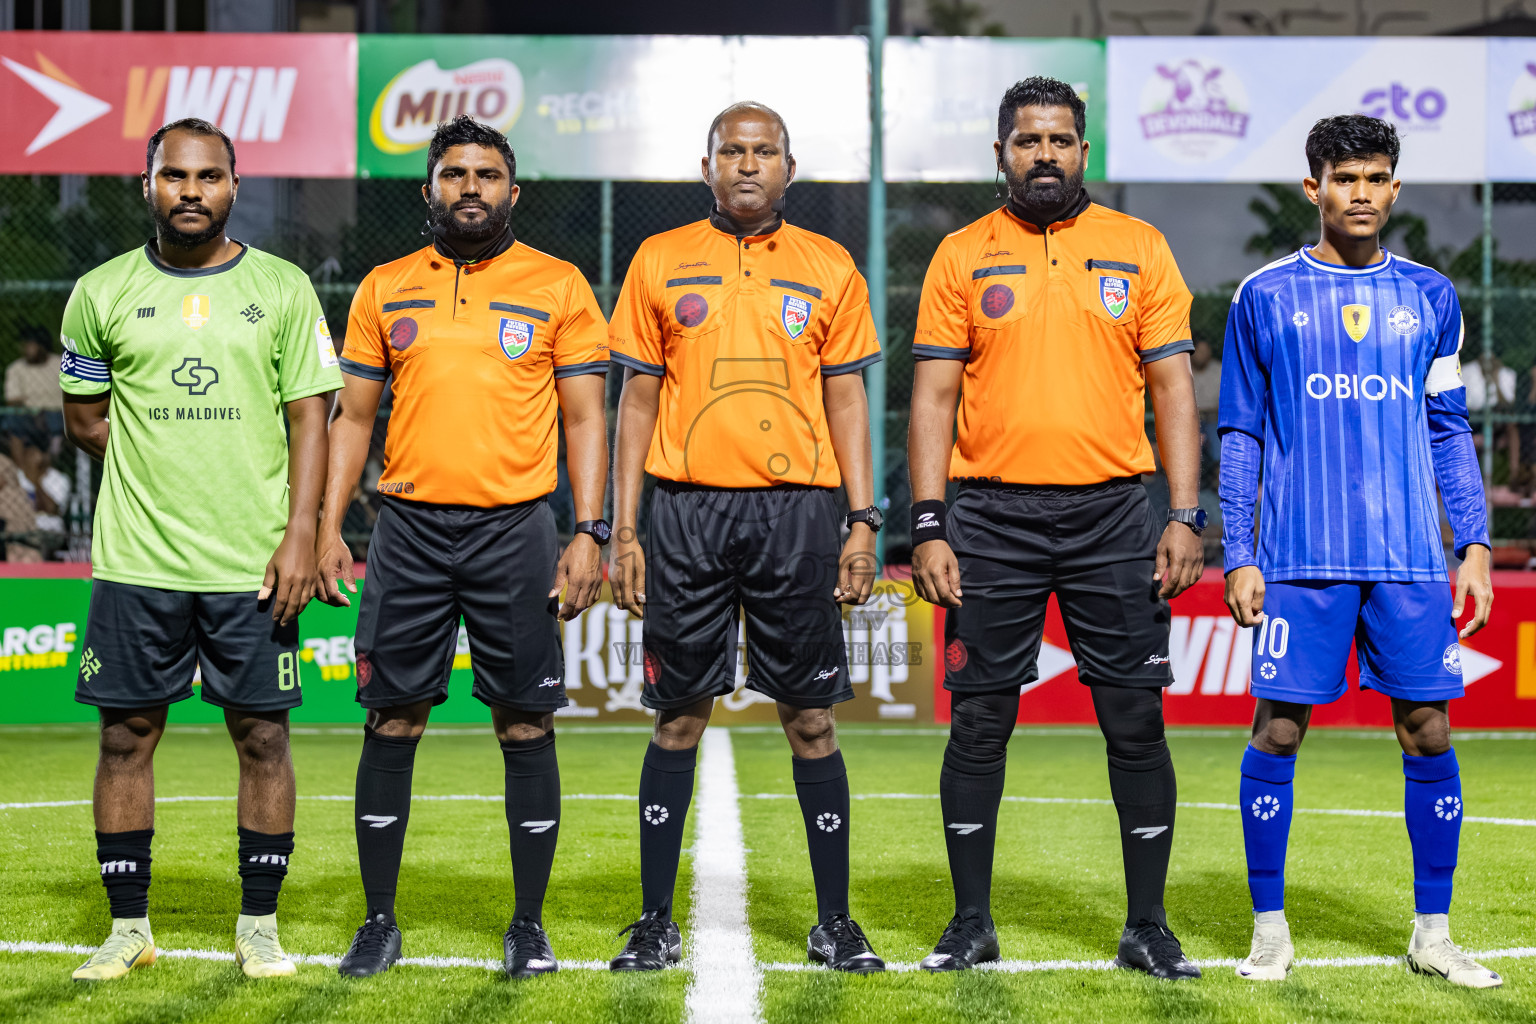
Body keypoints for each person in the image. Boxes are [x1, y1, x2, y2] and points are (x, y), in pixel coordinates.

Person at [908, 77, 1205, 978]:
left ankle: (1146, 926)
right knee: (980, 722)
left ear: (1084, 151)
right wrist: (928, 523)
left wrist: (1186, 515)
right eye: (1028, 140)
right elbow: (931, 396)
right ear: (999, 152)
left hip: (1113, 513)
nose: (1045, 154)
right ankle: (970, 923)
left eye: (1061, 140)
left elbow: (1173, 392)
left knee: (1134, 722)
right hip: (990, 516)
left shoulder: (1139, 247)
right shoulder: (961, 254)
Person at [319, 115, 610, 981]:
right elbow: (353, 418)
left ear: (512, 193)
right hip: (406, 531)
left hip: (516, 528)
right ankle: (378, 922)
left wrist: (588, 531)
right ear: (430, 190)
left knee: (524, 722)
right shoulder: (383, 287)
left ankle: (528, 924)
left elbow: (588, 416)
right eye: (455, 174)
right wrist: (329, 526)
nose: (470, 188)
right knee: (393, 717)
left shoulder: (557, 285)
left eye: (486, 175)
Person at [1221, 114, 1499, 988]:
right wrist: (1241, 549)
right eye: (1346, 179)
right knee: (1277, 729)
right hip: (1300, 556)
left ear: (1395, 188)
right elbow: (1240, 433)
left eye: (1377, 178)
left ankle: (1433, 932)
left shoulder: (1432, 298)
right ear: (1315, 189)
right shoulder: (1263, 295)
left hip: (1410, 556)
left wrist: (1476, 542)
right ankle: (1270, 928)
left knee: (1429, 730)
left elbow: (1449, 431)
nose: (1363, 194)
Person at [606, 101, 884, 973]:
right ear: (707, 166)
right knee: (677, 718)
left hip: (797, 513)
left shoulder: (830, 266)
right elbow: (636, 401)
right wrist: (624, 528)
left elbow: (847, 399)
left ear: (790, 170)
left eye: (766, 152)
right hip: (683, 513)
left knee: (811, 720)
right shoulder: (658, 259)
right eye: (734, 151)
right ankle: (655, 921)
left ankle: (834, 922)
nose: (749, 164)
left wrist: (863, 521)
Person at [60, 117, 340, 981]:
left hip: (253, 565)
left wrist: (301, 533)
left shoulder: (284, 288)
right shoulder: (99, 292)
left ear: (233, 184)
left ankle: (258, 928)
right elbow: (83, 418)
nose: (192, 191)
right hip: (138, 563)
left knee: (263, 740)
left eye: (209, 176)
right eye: (175, 176)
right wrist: (163, 464)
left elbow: (311, 418)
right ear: (147, 185)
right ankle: (128, 928)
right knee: (123, 741)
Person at [5, 325, 62, 410]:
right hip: (28, 414)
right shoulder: (15, 368)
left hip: (57, 412)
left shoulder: (60, 364)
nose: (26, 349)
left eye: (31, 345)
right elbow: (12, 399)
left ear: (42, 346)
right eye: (24, 345)